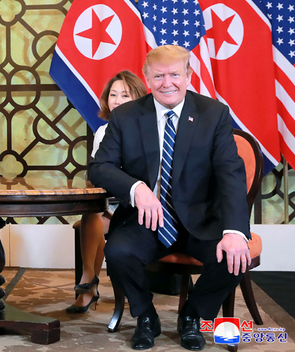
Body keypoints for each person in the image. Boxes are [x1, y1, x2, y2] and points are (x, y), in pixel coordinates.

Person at [89, 45, 251, 351]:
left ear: (188, 76)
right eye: (159, 76)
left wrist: (234, 231)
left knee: (234, 257)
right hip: (147, 220)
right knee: (119, 252)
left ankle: (193, 316)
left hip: (201, 220)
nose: (168, 83)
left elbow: (231, 175)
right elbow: (100, 167)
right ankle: (146, 316)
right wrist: (136, 189)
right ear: (147, 78)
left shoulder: (213, 113)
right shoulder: (126, 116)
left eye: (175, 74)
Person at [67, 71, 147, 314]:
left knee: (99, 214)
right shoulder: (103, 131)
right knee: (90, 211)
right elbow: (97, 174)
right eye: (113, 94)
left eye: (125, 94)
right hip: (109, 201)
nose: (117, 99)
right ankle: (89, 278)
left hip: (138, 202)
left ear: (139, 97)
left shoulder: (149, 128)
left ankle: (92, 286)